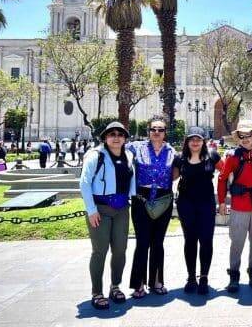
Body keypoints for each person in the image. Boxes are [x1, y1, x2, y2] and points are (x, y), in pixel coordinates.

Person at [79, 121, 136, 310]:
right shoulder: (95, 155)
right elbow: (85, 182)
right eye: (112, 134)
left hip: (121, 209)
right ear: (105, 137)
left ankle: (115, 286)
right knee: (100, 251)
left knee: (120, 250)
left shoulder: (128, 155)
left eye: (120, 134)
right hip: (100, 209)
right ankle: (97, 292)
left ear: (125, 138)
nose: (116, 137)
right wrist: (91, 210)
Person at [217, 119, 252, 293]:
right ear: (237, 138)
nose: (245, 139)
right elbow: (222, 179)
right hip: (239, 206)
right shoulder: (233, 156)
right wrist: (222, 202)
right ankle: (234, 274)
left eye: (248, 135)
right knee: (237, 242)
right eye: (242, 136)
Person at [127, 116, 175, 298]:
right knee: (142, 242)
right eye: (153, 129)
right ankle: (138, 284)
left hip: (163, 200)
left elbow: (179, 171)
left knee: (158, 243)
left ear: (165, 133)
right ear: (148, 131)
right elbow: (114, 148)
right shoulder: (135, 147)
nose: (156, 132)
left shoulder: (171, 152)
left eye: (160, 129)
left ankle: (156, 281)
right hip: (141, 200)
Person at [172, 126, 222, 295]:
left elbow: (226, 171)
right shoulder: (180, 158)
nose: (195, 142)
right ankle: (191, 277)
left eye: (198, 139)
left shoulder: (212, 156)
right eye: (192, 139)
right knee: (190, 240)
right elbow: (171, 177)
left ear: (203, 141)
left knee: (206, 240)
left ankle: (204, 277)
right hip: (186, 205)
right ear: (187, 142)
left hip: (206, 204)